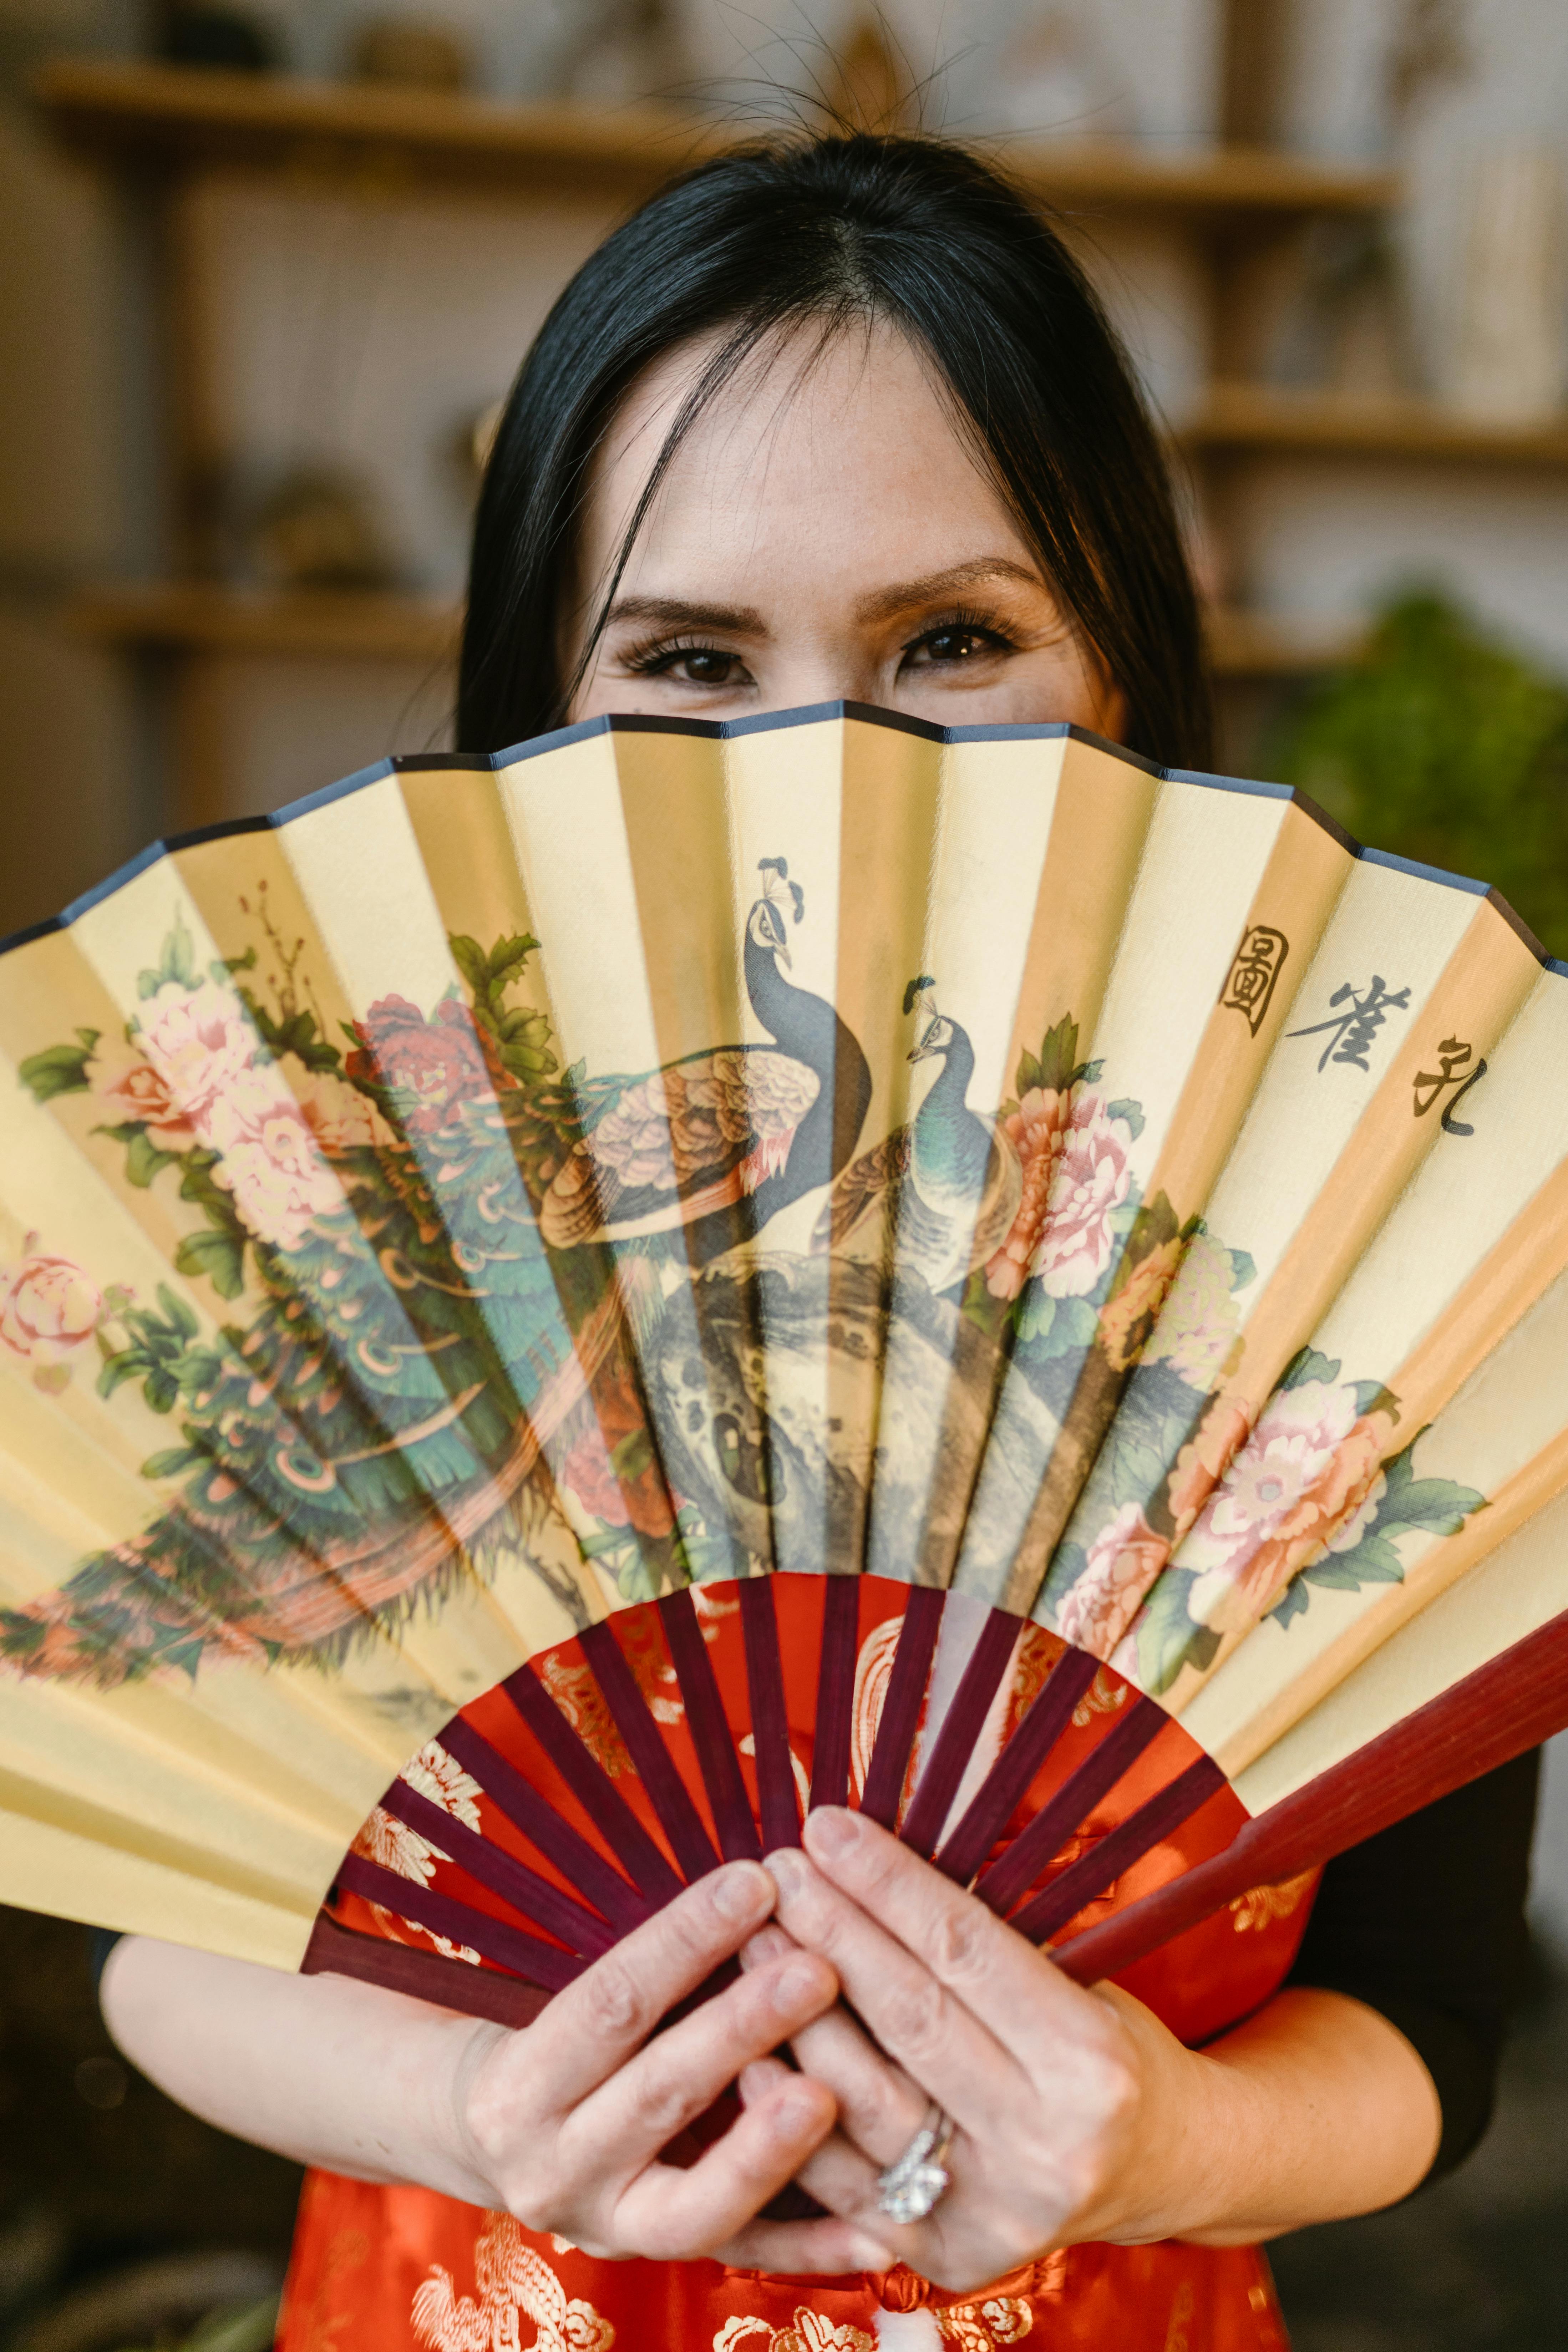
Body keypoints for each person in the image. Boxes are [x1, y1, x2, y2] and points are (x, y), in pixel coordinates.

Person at [101, 132, 1539, 2352]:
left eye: (952, 639)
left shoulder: (1364, 1246)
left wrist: (1170, 2135)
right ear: (540, 718)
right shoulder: (360, 1215)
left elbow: (1427, 2014)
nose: (819, 765)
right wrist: (484, 2108)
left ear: (1123, 678)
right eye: (687, 654)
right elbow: (156, 1922)